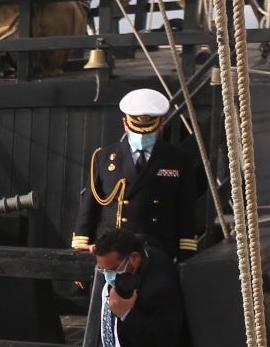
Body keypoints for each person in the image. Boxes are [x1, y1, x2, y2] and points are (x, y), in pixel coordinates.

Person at [72, 87, 200, 259]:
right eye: (136, 130)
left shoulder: (178, 159)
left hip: (157, 250)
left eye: (147, 131)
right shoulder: (103, 157)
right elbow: (89, 206)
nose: (141, 136)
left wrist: (186, 253)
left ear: (161, 123)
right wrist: (80, 249)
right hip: (111, 252)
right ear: (125, 123)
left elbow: (186, 209)